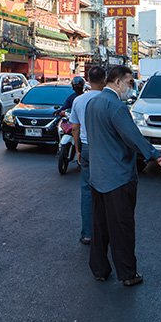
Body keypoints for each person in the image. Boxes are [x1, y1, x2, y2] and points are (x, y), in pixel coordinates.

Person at [83, 65, 161, 286]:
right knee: (122, 228)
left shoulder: (91, 102)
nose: (131, 88)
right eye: (129, 83)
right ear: (117, 83)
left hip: (97, 176)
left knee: (100, 227)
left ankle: (100, 269)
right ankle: (127, 274)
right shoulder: (116, 106)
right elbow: (133, 137)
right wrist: (158, 157)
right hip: (118, 178)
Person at [66, 66, 107, 246]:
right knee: (109, 190)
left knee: (87, 191)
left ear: (88, 80)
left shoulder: (79, 100)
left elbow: (75, 127)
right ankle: (107, 231)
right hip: (106, 149)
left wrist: (77, 151)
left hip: (87, 147)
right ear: (104, 79)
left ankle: (88, 233)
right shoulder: (109, 99)